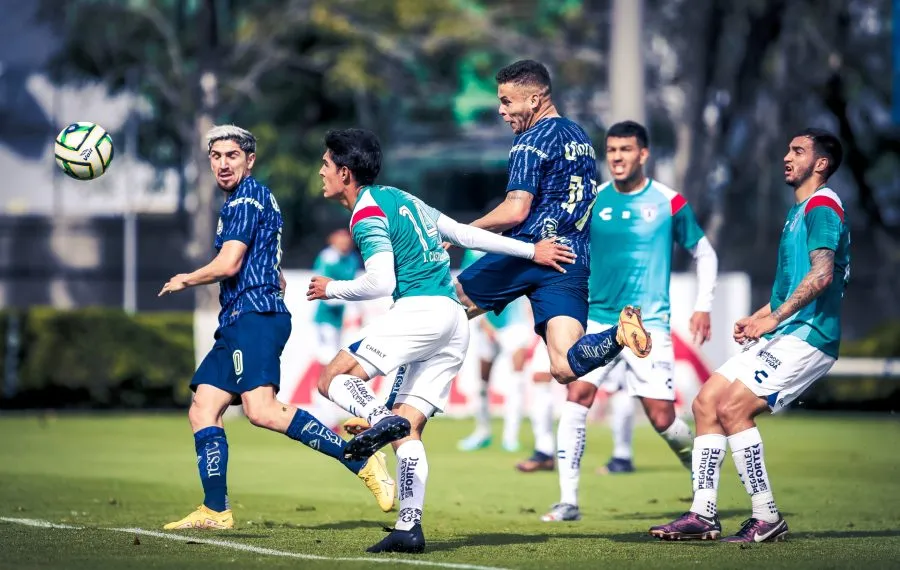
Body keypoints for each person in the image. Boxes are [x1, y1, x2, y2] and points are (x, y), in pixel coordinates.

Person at [307, 128, 575, 553]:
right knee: (408, 427)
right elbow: (465, 234)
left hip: (420, 312)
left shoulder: (365, 213)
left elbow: (381, 282)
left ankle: (379, 418)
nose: (320, 172)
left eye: (325, 164)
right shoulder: (404, 198)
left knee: (332, 378)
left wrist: (332, 288)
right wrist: (530, 251)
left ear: (345, 172)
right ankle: (409, 527)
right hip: (454, 319)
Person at [159, 125, 395, 530]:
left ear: (249, 160)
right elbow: (271, 267)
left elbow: (229, 263)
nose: (222, 164)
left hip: (254, 316)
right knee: (203, 408)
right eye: (216, 157)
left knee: (262, 410)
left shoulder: (246, 199)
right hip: (237, 318)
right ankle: (216, 510)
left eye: (232, 155)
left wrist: (187, 278)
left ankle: (358, 458)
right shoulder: (250, 199)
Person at [650, 128, 849, 542]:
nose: (786, 157)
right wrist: (760, 316)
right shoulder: (799, 210)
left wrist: (772, 320)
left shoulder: (823, 207)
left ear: (822, 163)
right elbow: (793, 283)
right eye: (788, 148)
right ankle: (702, 516)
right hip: (787, 329)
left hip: (809, 337)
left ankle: (767, 516)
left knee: (733, 410)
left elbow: (822, 274)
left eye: (798, 151)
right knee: (706, 402)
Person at [540, 120, 719, 522]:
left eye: (625, 150)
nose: (617, 157)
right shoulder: (593, 202)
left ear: (643, 154)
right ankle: (568, 501)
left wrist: (703, 305)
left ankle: (703, 479)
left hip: (647, 326)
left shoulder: (669, 202)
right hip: (598, 322)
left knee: (661, 417)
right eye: (612, 150)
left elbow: (705, 253)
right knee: (576, 397)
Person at [453, 60, 651, 393]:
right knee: (564, 365)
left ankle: (384, 407)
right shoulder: (580, 137)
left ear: (533, 100)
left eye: (506, 101)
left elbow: (516, 211)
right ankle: (619, 334)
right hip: (570, 261)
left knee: (442, 309)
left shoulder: (530, 141)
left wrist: (461, 233)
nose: (501, 111)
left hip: (528, 251)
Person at [457, 249, 531, 453]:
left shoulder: (517, 244)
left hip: (515, 324)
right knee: (481, 382)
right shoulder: (473, 251)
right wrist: (483, 321)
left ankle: (510, 437)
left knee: (516, 381)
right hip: (486, 323)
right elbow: (465, 288)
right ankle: (482, 432)